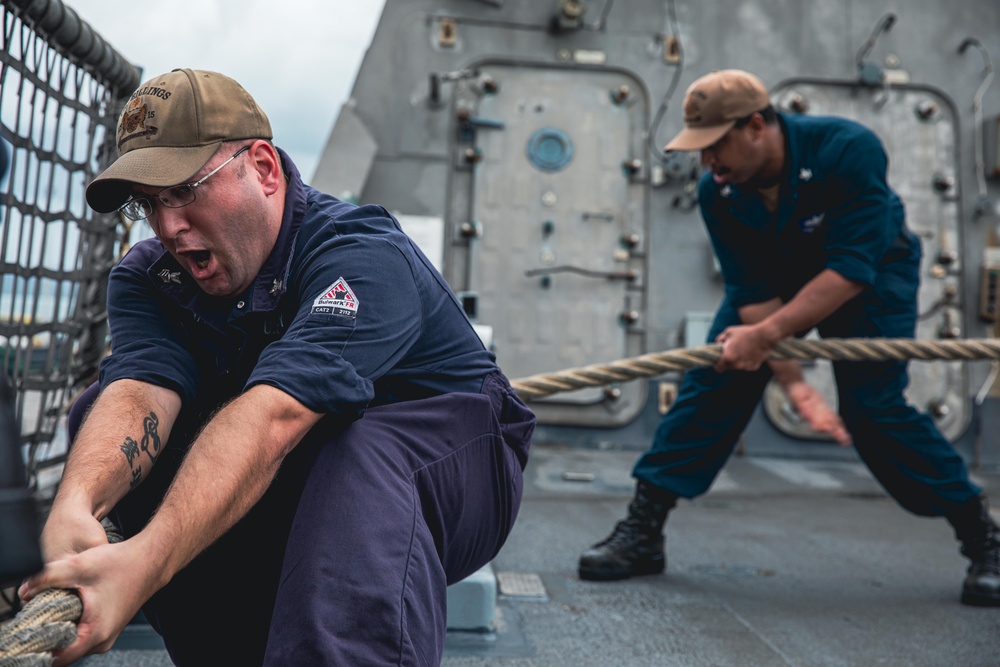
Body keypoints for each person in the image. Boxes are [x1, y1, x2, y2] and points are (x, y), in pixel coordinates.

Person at [18, 68, 535, 666]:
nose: (169, 226)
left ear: (263, 168)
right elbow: (141, 390)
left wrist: (143, 560)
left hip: (454, 463)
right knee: (97, 411)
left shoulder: (359, 254)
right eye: (150, 204)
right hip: (303, 459)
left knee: (359, 448)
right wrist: (74, 506)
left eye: (185, 190)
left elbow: (276, 416)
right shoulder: (149, 275)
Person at [577, 69, 1000, 607]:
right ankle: (644, 531)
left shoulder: (847, 149)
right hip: (782, 275)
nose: (707, 163)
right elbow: (752, 292)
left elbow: (849, 270)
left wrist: (768, 336)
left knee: (874, 410)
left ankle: (983, 538)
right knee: (714, 379)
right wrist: (795, 383)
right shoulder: (720, 192)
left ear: (756, 125)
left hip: (871, 276)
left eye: (714, 146)